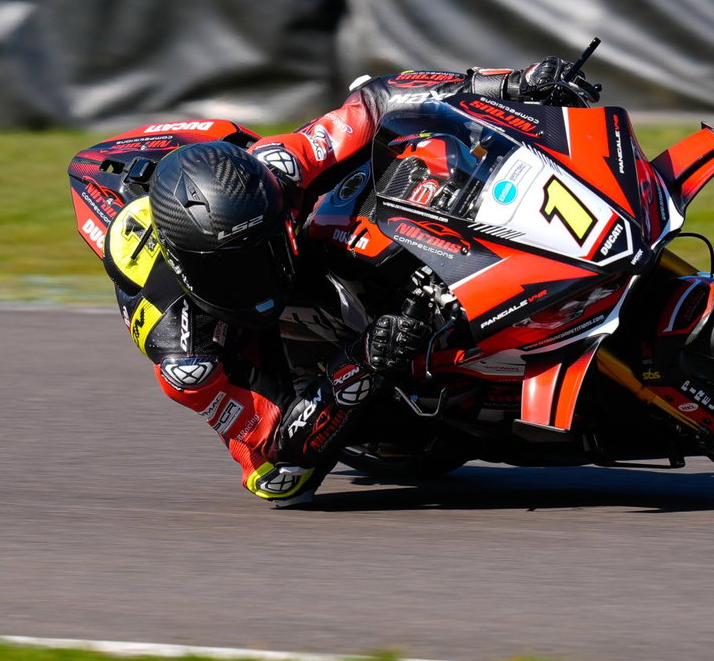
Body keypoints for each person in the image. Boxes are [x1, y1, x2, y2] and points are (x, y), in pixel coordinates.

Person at [101, 57, 601, 508]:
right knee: (283, 469)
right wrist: (363, 359)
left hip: (235, 189)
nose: (259, 268)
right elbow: (280, 469)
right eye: (239, 265)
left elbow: (375, 99)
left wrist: (514, 84)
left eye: (265, 247)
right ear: (193, 268)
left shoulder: (280, 168)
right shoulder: (187, 359)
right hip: (244, 344)